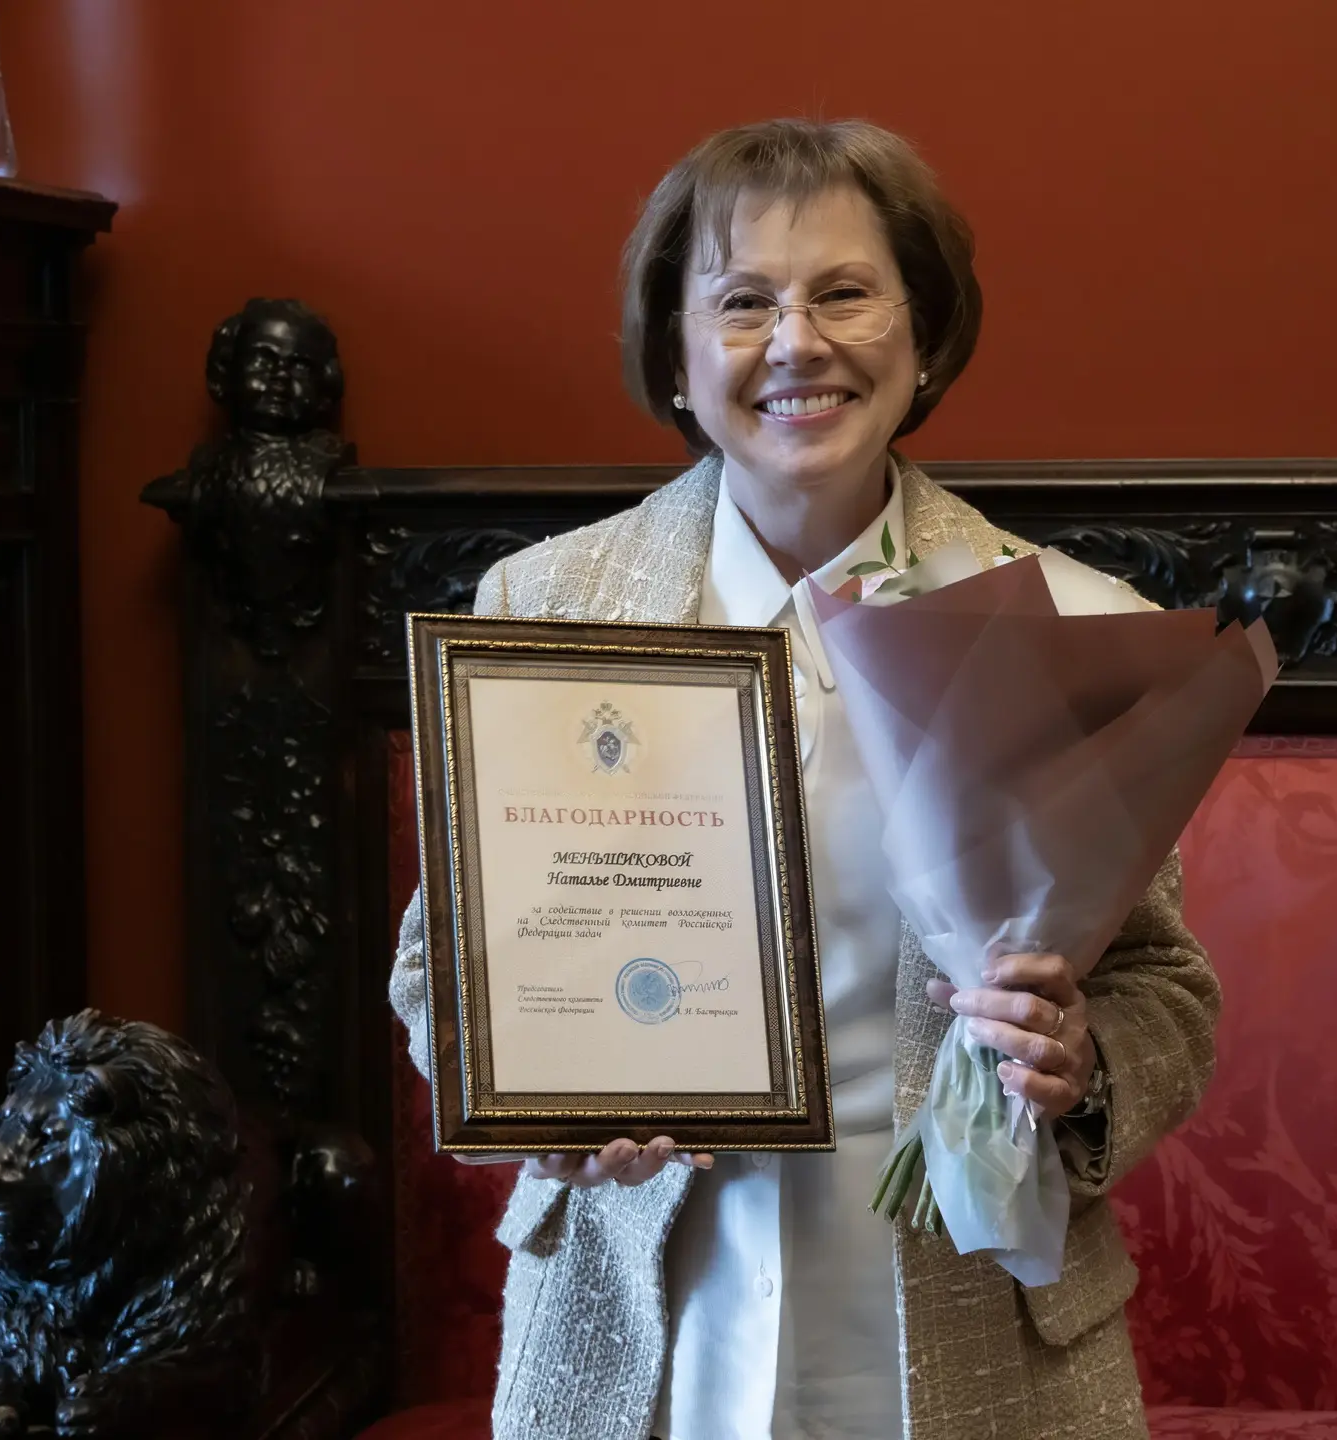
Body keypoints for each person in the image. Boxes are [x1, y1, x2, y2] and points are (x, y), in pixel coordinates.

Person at [387, 118, 1220, 1440]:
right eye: (742, 303)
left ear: (922, 335)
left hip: (974, 1334)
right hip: (642, 1323)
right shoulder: (543, 607)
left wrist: (1082, 1060)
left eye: (844, 293)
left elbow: (1164, 988)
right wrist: (535, 1102)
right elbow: (447, 962)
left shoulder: (1067, 623)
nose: (796, 343)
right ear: (675, 358)